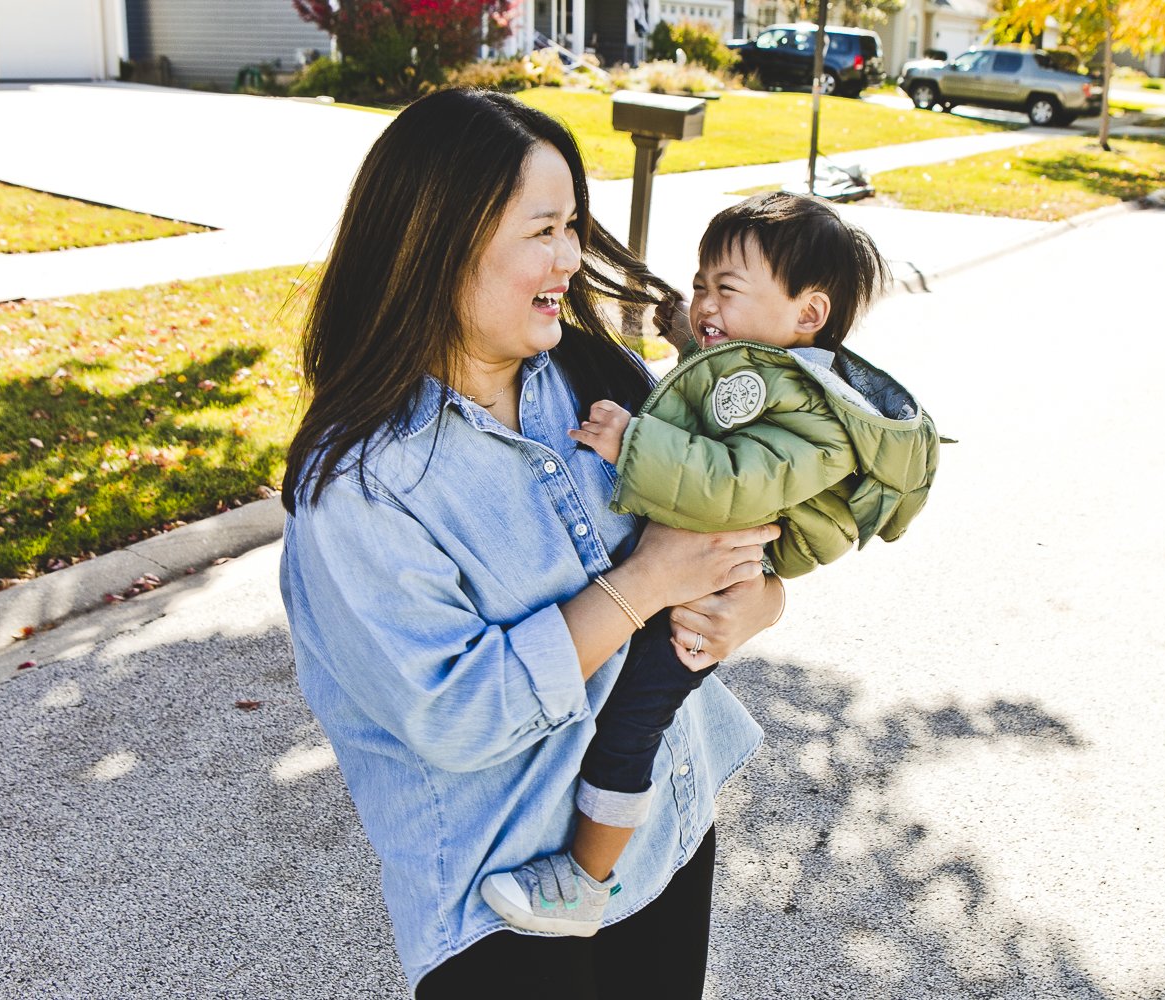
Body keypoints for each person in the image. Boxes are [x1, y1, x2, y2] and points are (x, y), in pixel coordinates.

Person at [277, 88, 786, 999]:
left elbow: (736, 535)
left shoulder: (598, 377)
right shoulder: (358, 483)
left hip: (665, 827)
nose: (572, 257)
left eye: (574, 225)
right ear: (438, 245)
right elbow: (456, 714)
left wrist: (753, 602)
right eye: (543, 230)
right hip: (500, 902)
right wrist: (644, 582)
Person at [481, 192, 939, 936]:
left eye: (726, 289)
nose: (703, 300)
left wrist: (633, 444)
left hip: (705, 588)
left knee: (630, 725)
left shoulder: (815, 413)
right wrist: (690, 340)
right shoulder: (768, 368)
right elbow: (719, 403)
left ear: (808, 315)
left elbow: (734, 484)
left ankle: (585, 880)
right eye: (700, 283)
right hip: (702, 572)